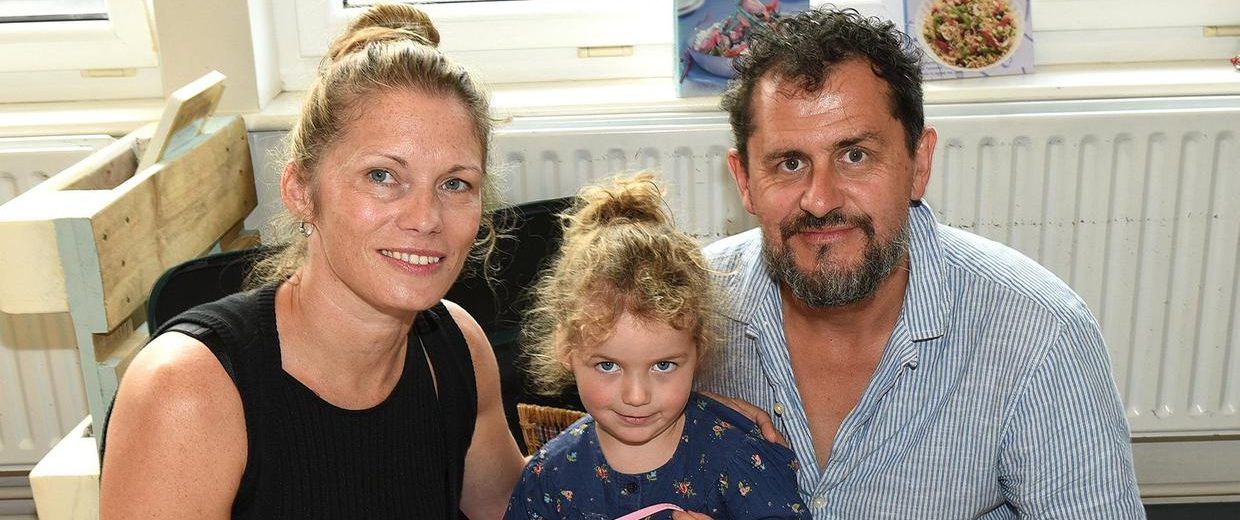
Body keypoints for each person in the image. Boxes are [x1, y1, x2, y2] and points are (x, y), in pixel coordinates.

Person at [699, 7, 1145, 519]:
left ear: (919, 164)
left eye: (855, 156)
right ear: (744, 180)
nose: (820, 200)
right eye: (790, 163)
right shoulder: (687, 308)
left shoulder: (1039, 334)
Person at [100, 4, 524, 518]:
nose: (426, 218)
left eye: (455, 184)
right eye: (382, 176)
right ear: (301, 191)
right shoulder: (186, 390)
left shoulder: (456, 348)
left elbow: (514, 508)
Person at [505, 173, 807, 520]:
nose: (637, 396)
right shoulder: (548, 478)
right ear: (566, 349)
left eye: (663, 365)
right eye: (608, 365)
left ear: (699, 349)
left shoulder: (739, 456)